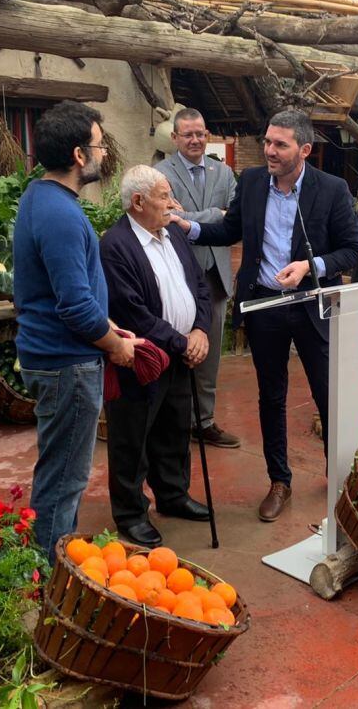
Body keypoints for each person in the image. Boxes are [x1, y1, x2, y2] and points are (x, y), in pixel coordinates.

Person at [174, 110, 358, 522]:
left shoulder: (331, 189)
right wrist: (184, 226)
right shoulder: (254, 182)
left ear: (305, 150)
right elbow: (230, 231)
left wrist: (309, 267)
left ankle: (342, 478)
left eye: (280, 144)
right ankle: (279, 481)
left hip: (312, 306)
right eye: (267, 142)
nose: (269, 151)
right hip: (264, 307)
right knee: (271, 397)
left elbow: (353, 250)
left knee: (326, 393)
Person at [13, 100, 141, 561]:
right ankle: (46, 575)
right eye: (98, 145)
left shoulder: (40, 197)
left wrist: (109, 326)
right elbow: (74, 307)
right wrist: (115, 346)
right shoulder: (62, 215)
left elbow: (64, 291)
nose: (104, 153)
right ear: (78, 155)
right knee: (66, 477)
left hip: (56, 357)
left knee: (58, 470)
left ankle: (45, 562)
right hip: (67, 364)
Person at [99, 165, 212, 547]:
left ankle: (173, 495)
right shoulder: (116, 246)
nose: (172, 203)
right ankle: (131, 513)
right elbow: (131, 312)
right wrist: (180, 342)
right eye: (164, 196)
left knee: (174, 428)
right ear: (138, 202)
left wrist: (200, 330)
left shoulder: (172, 235)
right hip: (143, 358)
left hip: (180, 354)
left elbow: (199, 284)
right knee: (133, 434)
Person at [155, 107, 241, 449]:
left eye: (201, 133)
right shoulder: (161, 173)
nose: (195, 140)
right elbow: (164, 216)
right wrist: (212, 216)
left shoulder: (224, 173)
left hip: (215, 277)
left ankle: (203, 421)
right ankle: (172, 420)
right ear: (175, 138)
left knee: (210, 353)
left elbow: (234, 217)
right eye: (188, 134)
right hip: (177, 275)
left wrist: (188, 217)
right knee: (175, 347)